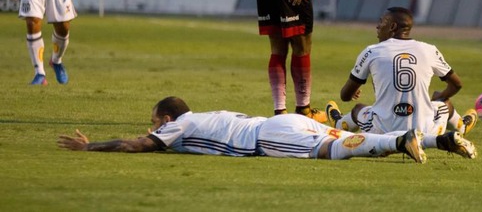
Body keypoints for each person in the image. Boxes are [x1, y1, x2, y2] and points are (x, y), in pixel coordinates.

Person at [57, 96, 427, 164]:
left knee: (331, 152)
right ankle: (428, 141)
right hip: (279, 123)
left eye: (154, 121)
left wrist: (90, 148)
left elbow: (141, 145)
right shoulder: (202, 115)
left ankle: (399, 140)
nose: (151, 127)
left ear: (166, 119)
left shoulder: (180, 125)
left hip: (269, 137)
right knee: (343, 141)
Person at [326, 7, 478, 159]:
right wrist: (440, 95)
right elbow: (456, 84)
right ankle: (461, 126)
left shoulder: (371, 51)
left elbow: (345, 96)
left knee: (358, 109)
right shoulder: (429, 49)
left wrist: (352, 92)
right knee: (444, 103)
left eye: (381, 22)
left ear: (392, 27)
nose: (378, 26)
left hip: (382, 132)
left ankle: (340, 124)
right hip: (425, 131)